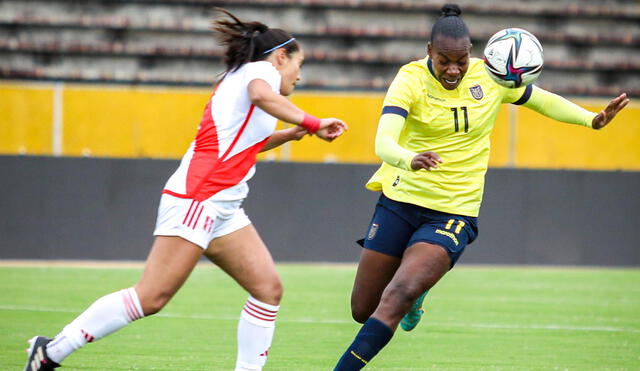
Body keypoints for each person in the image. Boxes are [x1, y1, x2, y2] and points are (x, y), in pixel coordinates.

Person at [23, 8, 347, 371]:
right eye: (298, 65)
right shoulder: (261, 73)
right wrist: (313, 121)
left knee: (268, 289)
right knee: (151, 297)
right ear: (281, 56)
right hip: (200, 197)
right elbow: (260, 95)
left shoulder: (249, 79)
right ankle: (50, 352)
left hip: (223, 205)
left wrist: (289, 134)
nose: (299, 75)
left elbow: (245, 143)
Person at [333, 4, 629, 370]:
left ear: (471, 52)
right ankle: (419, 292)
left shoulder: (491, 78)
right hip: (399, 201)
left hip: (453, 211)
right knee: (363, 309)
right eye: (444, 61)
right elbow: (384, 144)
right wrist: (409, 159)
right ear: (429, 52)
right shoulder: (409, 80)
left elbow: (541, 99)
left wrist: (591, 120)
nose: (454, 69)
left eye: (461, 60)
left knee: (397, 295)